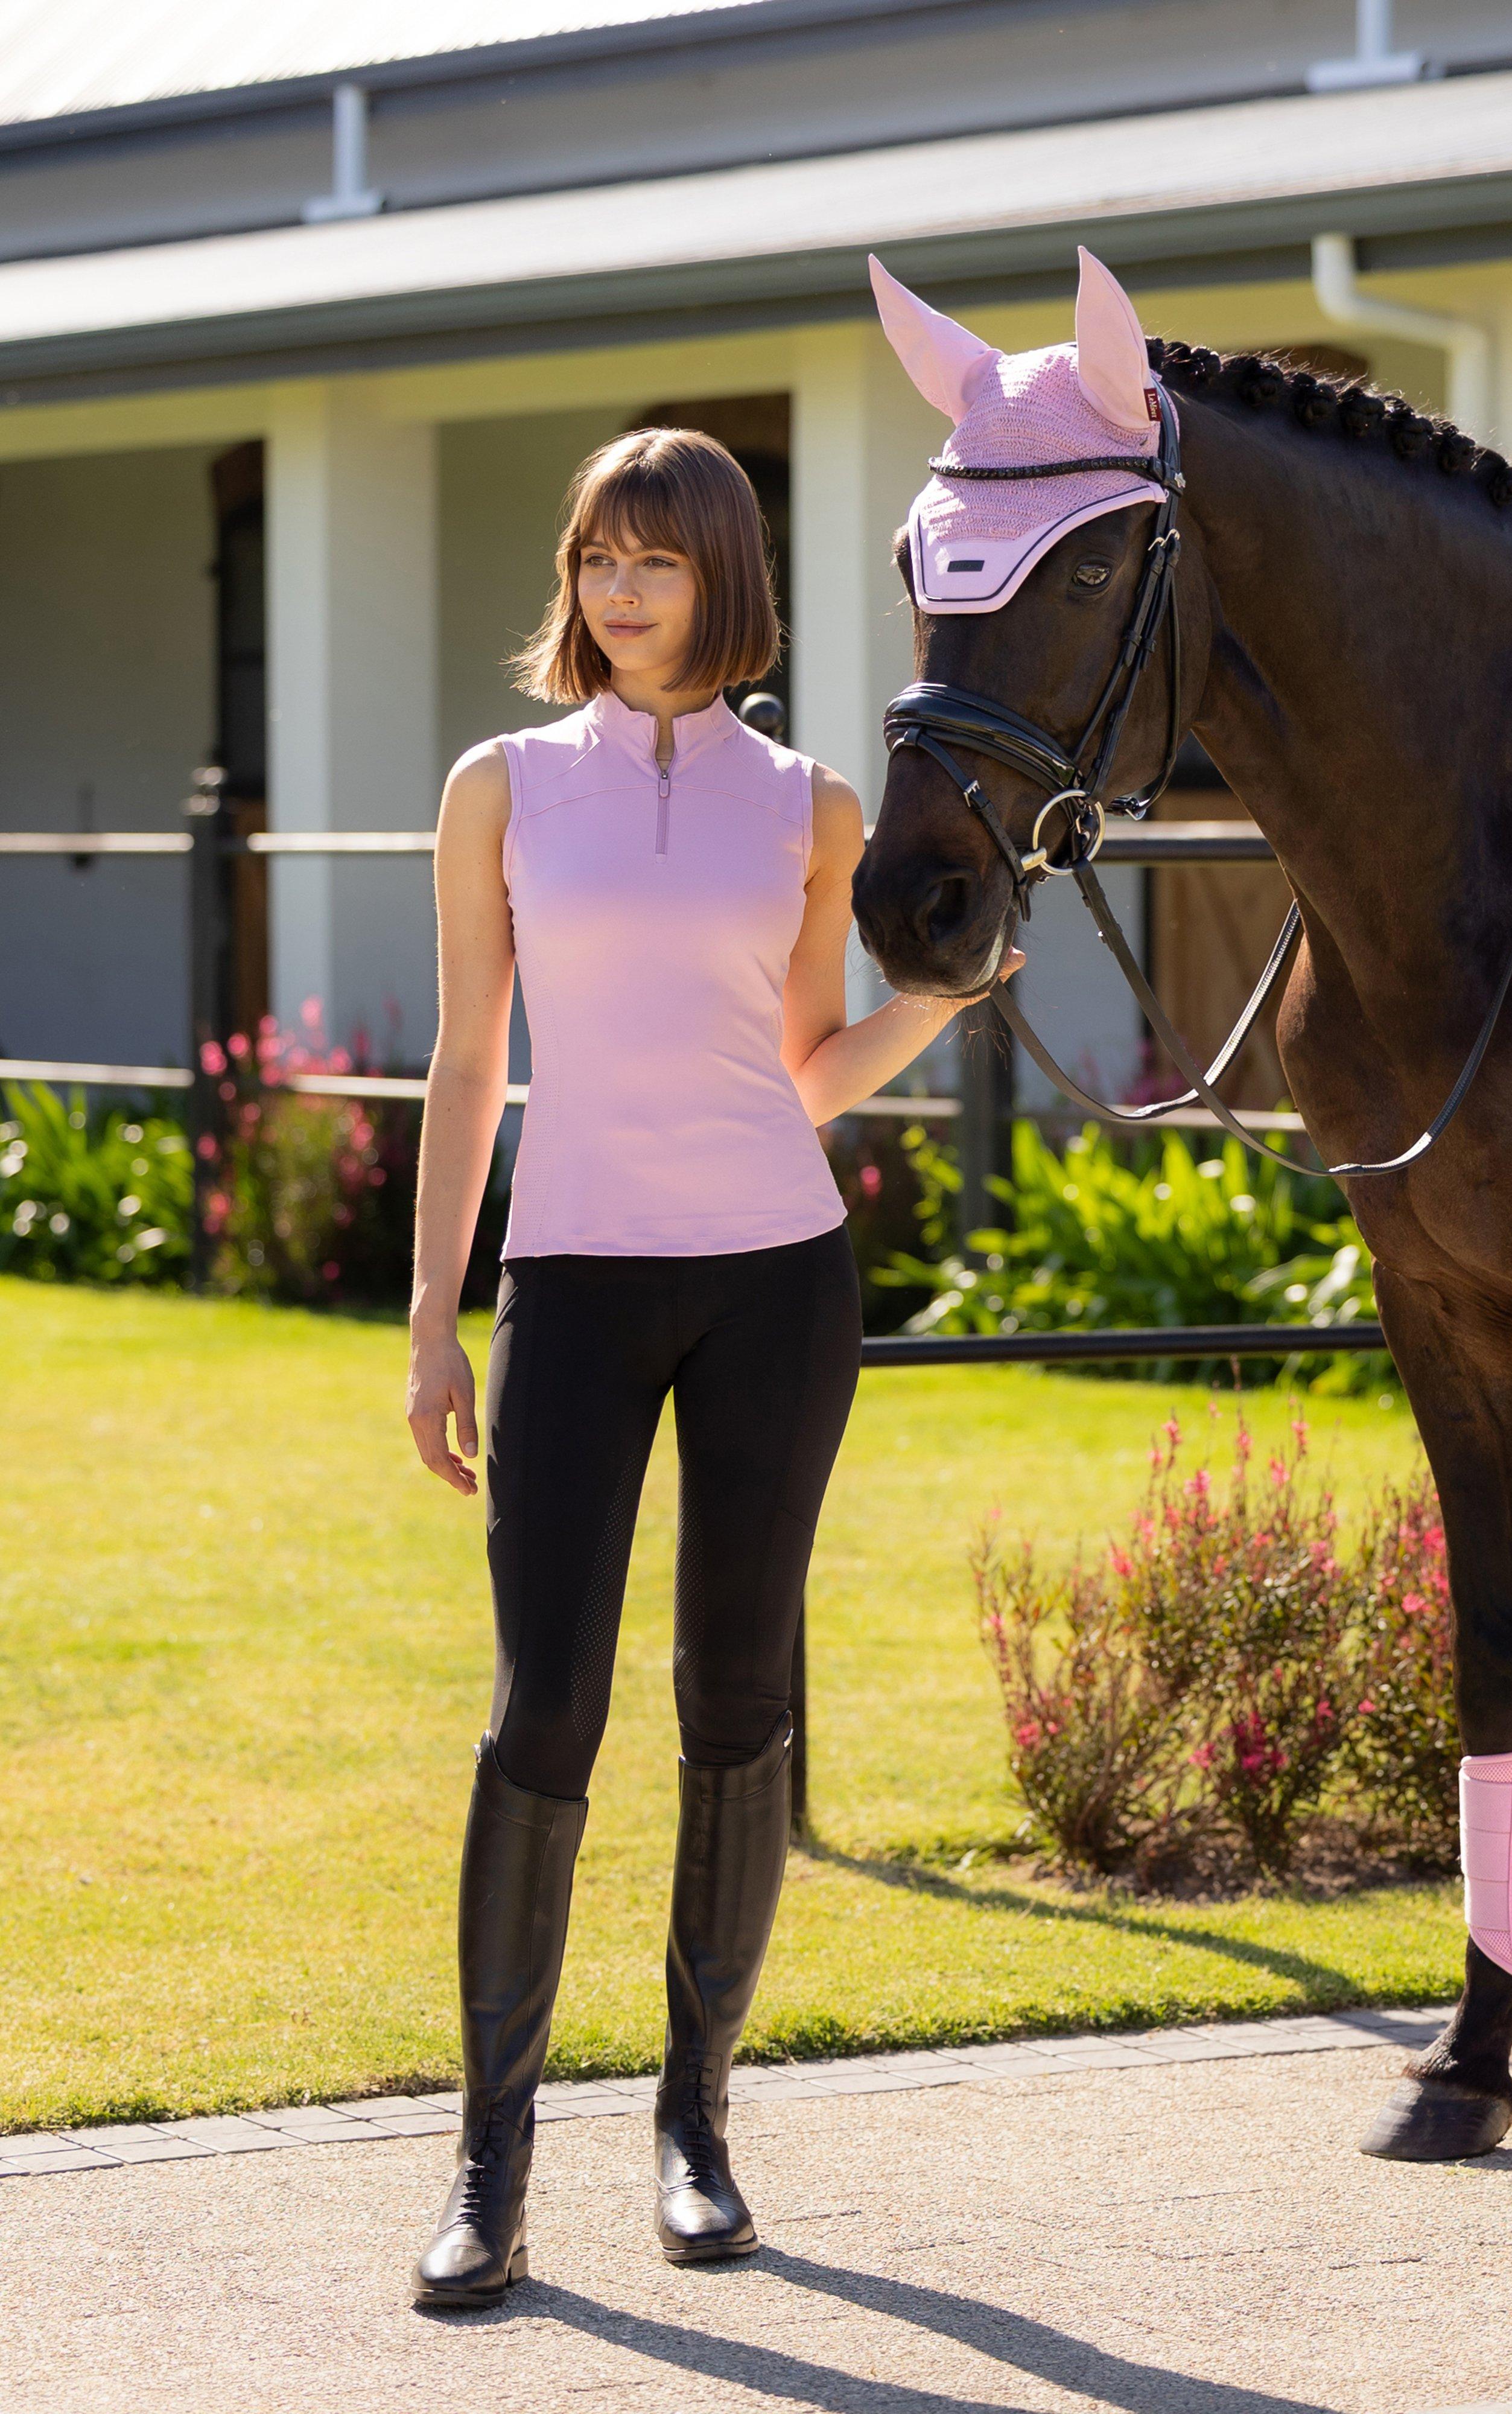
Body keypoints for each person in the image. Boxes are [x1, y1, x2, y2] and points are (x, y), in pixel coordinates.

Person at [401, 427, 1006, 2308]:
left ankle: (695, 2132)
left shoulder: (816, 811)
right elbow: (467, 1059)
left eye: (658, 563)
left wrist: (937, 1000)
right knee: (542, 1710)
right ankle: (490, 2170)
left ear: (723, 582)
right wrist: (436, 1311)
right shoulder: (501, 788)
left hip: (772, 1285)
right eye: (598, 560)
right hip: (573, 1279)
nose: (622, 594)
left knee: (738, 1701)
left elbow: (801, 1068)